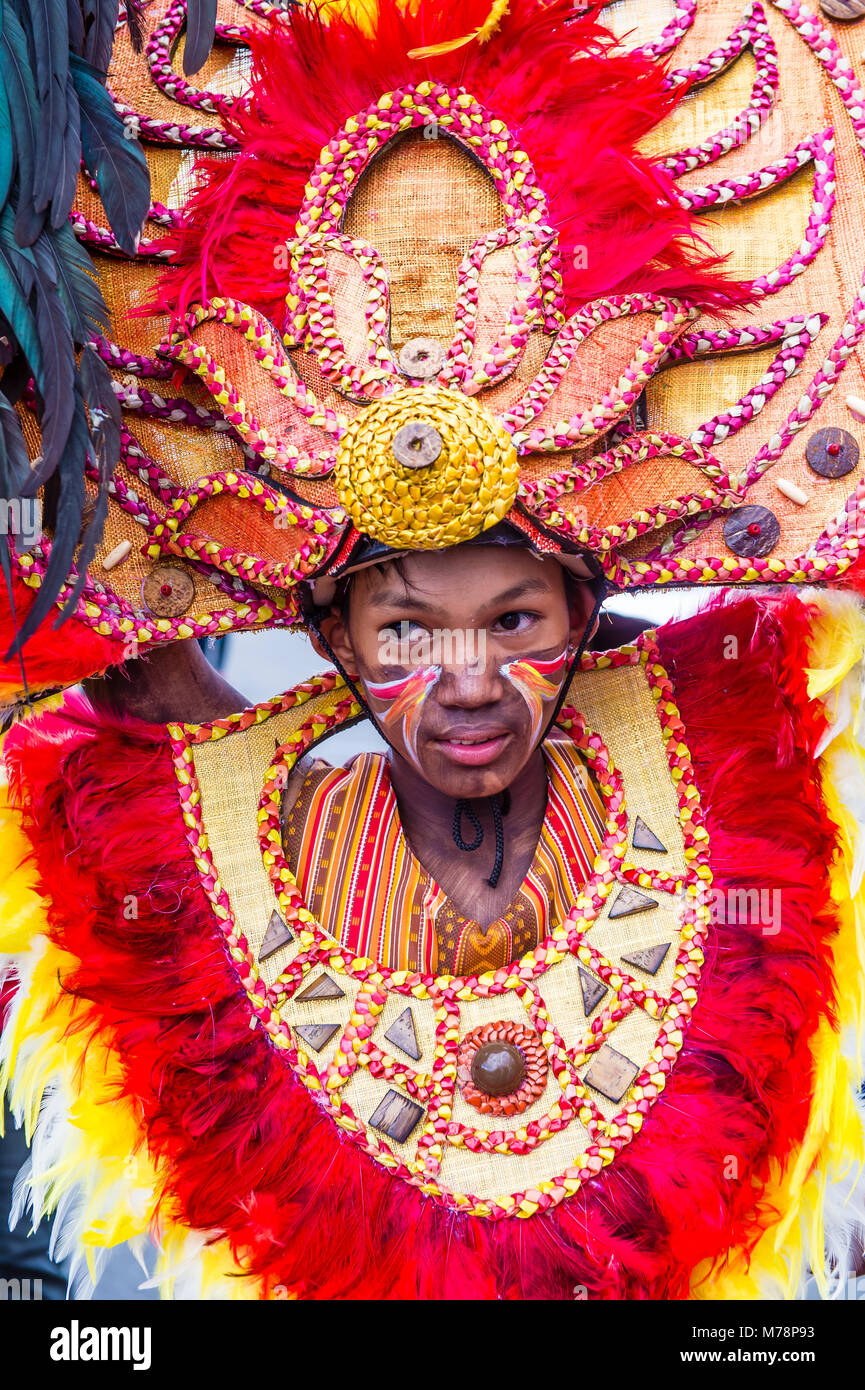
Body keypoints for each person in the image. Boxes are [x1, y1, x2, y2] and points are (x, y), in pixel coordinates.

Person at [2, 0, 865, 1302]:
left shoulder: (765, 793)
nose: (464, 678)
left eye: (513, 621)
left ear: (593, 617)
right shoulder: (168, 851)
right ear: (328, 636)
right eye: (406, 628)